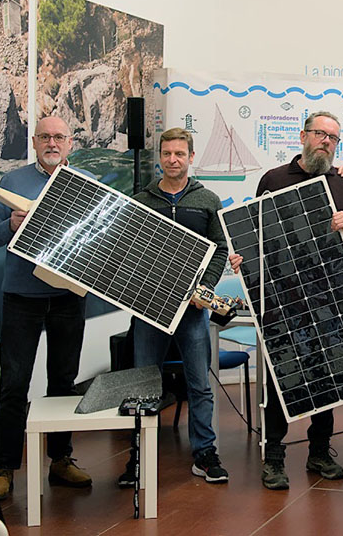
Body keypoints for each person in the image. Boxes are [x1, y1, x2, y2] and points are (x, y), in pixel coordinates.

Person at [229, 111, 343, 490]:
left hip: (329, 293)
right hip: (280, 296)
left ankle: (320, 451)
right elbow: (253, 234)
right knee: (282, 375)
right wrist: (243, 257)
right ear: (303, 136)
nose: (326, 141)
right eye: (320, 134)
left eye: (333, 138)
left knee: (325, 374)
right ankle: (273, 457)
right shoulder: (273, 180)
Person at [0, 116, 93, 500]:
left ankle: (61, 460)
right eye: (45, 136)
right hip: (21, 299)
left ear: (70, 143)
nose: (52, 142)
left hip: (67, 297)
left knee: (63, 382)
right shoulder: (12, 182)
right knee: (13, 384)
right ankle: (5, 469)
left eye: (59, 137)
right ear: (34, 141)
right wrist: (11, 225)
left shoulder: (85, 186)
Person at [123, 127, 229, 484]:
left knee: (199, 384)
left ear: (191, 157)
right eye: (167, 154)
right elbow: (127, 253)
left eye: (179, 154)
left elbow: (220, 248)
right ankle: (138, 459)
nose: (172, 160)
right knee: (142, 386)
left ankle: (205, 453)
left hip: (192, 311)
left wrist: (206, 287)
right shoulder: (141, 201)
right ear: (160, 158)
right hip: (149, 309)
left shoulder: (208, 200)